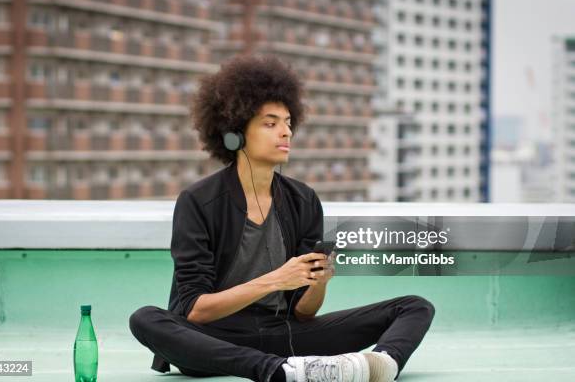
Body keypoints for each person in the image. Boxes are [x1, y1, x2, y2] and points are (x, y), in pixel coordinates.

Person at [129, 55, 435, 382]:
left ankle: (380, 366)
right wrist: (277, 279)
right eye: (270, 123)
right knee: (145, 318)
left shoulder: (303, 200)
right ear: (236, 132)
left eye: (288, 122)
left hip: (285, 335)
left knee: (414, 306)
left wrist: (318, 283)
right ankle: (278, 372)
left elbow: (304, 311)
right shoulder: (199, 201)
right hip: (211, 341)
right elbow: (194, 310)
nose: (285, 132)